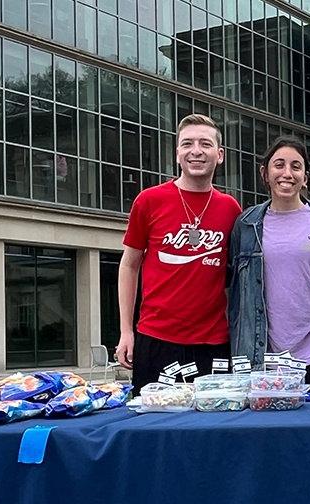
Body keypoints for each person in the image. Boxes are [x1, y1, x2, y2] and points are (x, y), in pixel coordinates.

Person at [116, 114, 242, 393]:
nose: (196, 151)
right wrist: (127, 331)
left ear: (219, 155)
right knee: (153, 427)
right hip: (156, 337)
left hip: (214, 342)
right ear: (177, 154)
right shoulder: (149, 201)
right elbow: (129, 266)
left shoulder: (231, 209)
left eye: (205, 144)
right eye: (187, 144)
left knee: (212, 427)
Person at [228, 135, 310, 392]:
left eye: (296, 166)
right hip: (262, 359)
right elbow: (233, 289)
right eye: (279, 164)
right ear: (265, 173)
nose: (287, 173)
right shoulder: (246, 225)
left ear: (305, 176)